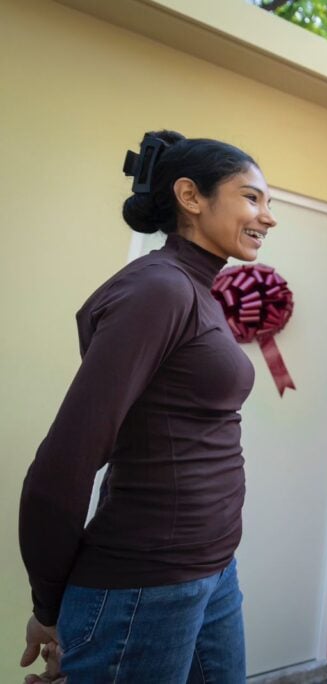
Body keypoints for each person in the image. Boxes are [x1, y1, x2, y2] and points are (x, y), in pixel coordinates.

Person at [19, 130, 276, 682]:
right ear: (191, 196)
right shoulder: (160, 289)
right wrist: (51, 607)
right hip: (147, 588)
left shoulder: (197, 290)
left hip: (211, 570)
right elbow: (64, 462)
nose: (267, 216)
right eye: (251, 197)